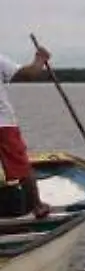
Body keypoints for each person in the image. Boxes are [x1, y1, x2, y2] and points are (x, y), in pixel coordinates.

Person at [0, 46, 52, 219]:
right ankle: (37, 206)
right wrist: (40, 60)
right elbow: (28, 74)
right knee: (21, 166)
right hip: (3, 125)